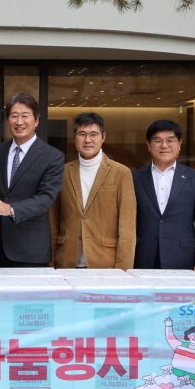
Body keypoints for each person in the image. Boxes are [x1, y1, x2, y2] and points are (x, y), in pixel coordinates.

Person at [0, 93, 64, 267]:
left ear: (36, 121)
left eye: (25, 116)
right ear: (8, 121)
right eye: (14, 116)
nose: (19, 122)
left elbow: (46, 198)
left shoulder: (52, 156)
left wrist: (10, 209)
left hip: (30, 249)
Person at [50, 112, 136, 270]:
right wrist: (51, 264)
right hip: (66, 262)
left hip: (105, 265)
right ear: (75, 137)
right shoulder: (63, 172)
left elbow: (127, 227)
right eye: (82, 134)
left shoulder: (121, 173)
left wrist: (123, 271)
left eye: (93, 134)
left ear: (103, 137)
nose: (87, 140)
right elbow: (53, 222)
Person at [132, 119, 195, 270]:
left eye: (170, 140)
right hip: (144, 257)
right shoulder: (135, 178)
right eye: (158, 141)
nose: (164, 145)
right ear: (148, 145)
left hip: (184, 258)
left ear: (179, 144)